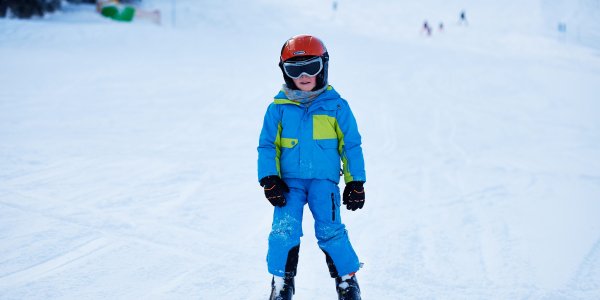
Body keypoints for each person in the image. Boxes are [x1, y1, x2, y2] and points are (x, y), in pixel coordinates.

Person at [257, 34, 366, 300]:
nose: (304, 75)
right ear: (285, 72)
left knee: (331, 230)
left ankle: (347, 281)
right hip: (288, 183)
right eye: (295, 69)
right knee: (284, 230)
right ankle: (282, 282)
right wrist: (269, 177)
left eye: (312, 67)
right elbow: (267, 146)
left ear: (324, 67)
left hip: (323, 181)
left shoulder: (337, 107)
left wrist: (355, 181)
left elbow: (350, 146)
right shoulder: (278, 109)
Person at [96, 0, 161, 24]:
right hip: (117, 16)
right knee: (132, 10)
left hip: (116, 13)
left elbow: (99, 9)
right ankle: (153, 16)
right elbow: (99, 8)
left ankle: (153, 16)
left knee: (131, 9)